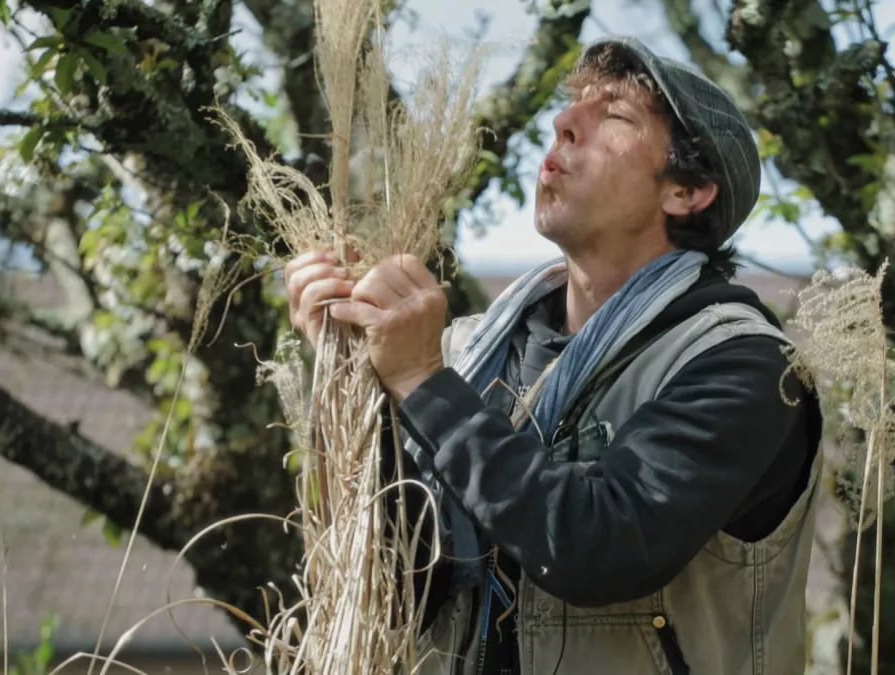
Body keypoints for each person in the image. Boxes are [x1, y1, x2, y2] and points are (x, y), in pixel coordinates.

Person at [283, 36, 823, 675]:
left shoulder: (746, 365)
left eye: (616, 115)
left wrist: (422, 383)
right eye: (572, 110)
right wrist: (351, 380)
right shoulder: (466, 351)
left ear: (687, 191)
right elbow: (402, 587)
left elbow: (599, 547)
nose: (564, 125)